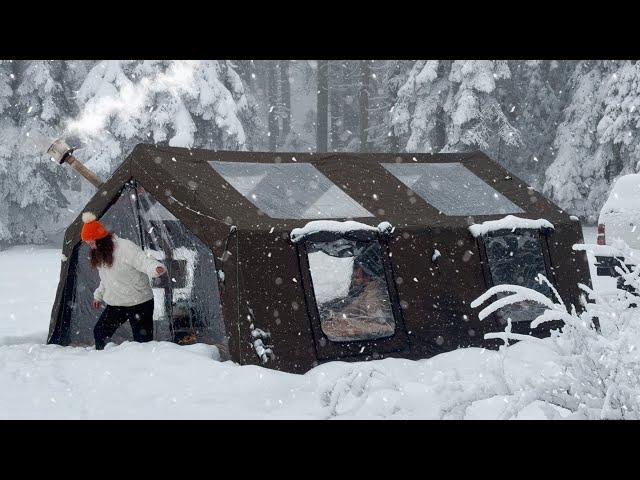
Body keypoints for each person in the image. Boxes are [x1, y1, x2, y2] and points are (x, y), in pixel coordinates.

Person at [80, 211, 166, 350]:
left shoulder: (125, 247)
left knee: (143, 345)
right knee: (100, 332)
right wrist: (98, 295)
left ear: (101, 239)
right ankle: (106, 363)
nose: (90, 245)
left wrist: (156, 268)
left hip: (140, 302)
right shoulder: (101, 253)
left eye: (91, 242)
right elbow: (107, 279)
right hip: (117, 303)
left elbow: (143, 260)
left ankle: (144, 369)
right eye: (88, 243)